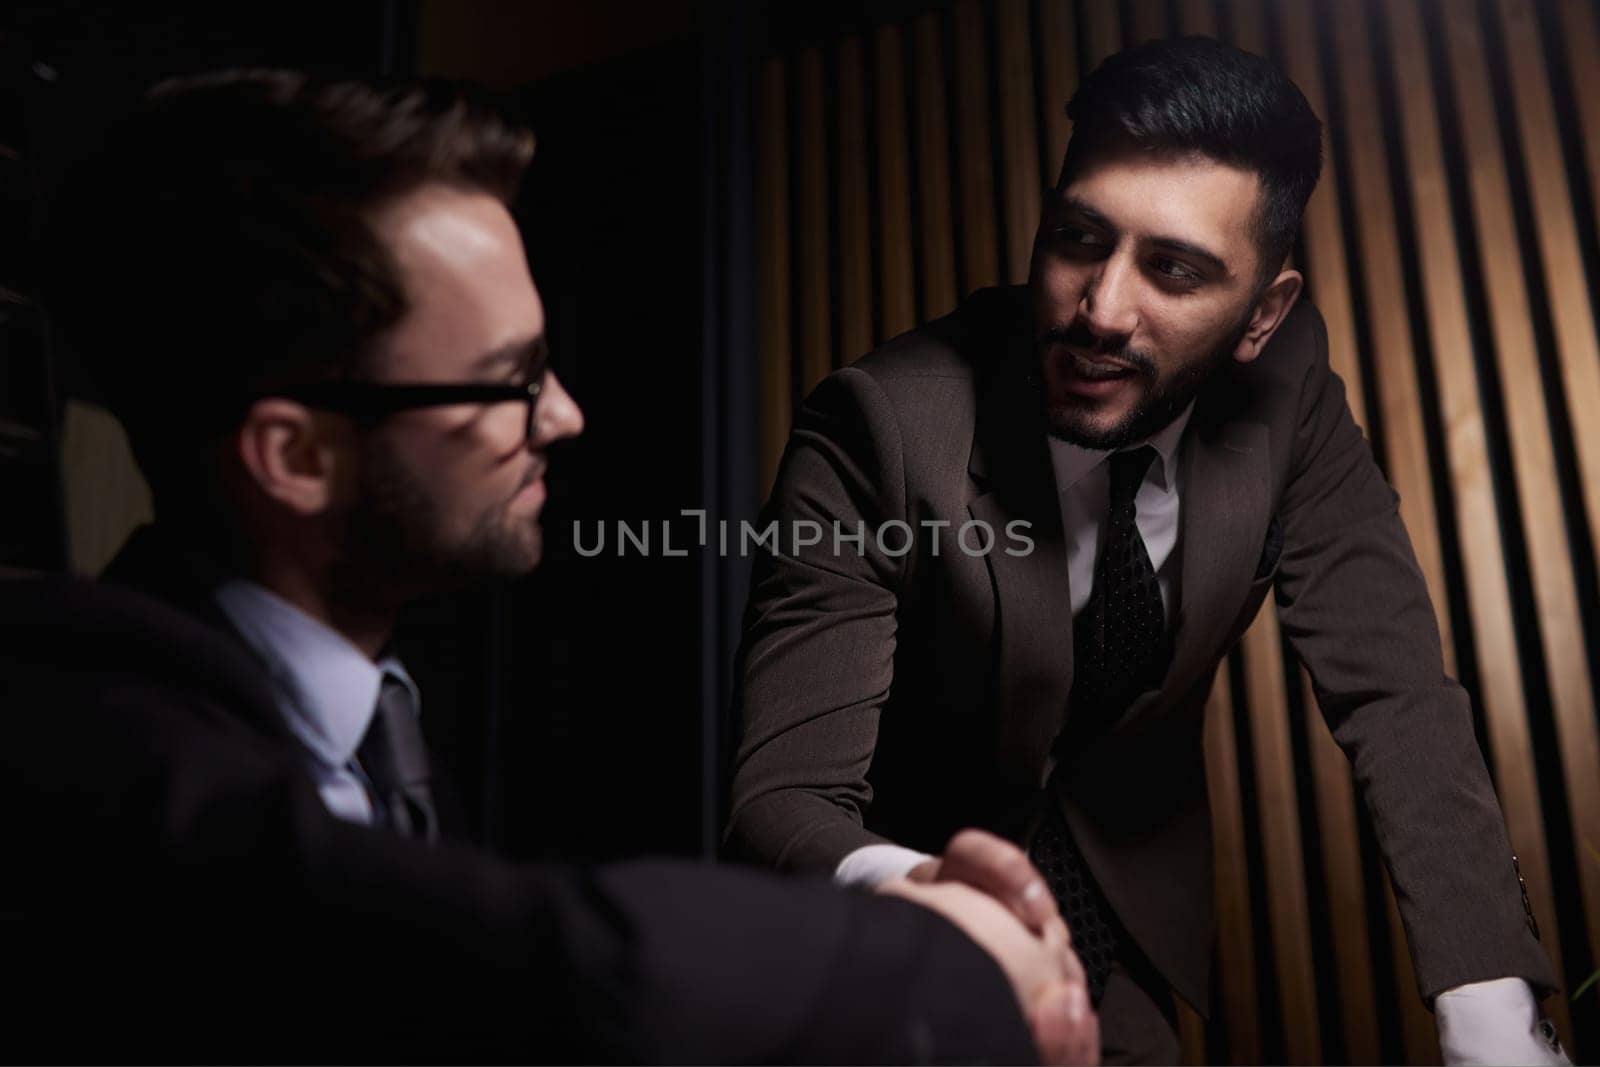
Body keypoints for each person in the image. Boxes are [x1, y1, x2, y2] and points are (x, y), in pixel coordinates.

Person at [0, 69, 1098, 1063]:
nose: (565, 415)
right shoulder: (76, 733)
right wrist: (944, 968)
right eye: (508, 381)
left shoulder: (382, 736)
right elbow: (561, 958)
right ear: (295, 454)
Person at [727, 35, 1567, 1065]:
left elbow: (1394, 693)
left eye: (1172, 269)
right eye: (1078, 237)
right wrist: (934, 900)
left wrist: (1491, 1015)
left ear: (1263, 313)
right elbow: (783, 798)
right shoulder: (878, 425)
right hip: (891, 908)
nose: (1101, 310)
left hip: (1126, 902)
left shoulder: (1287, 386)